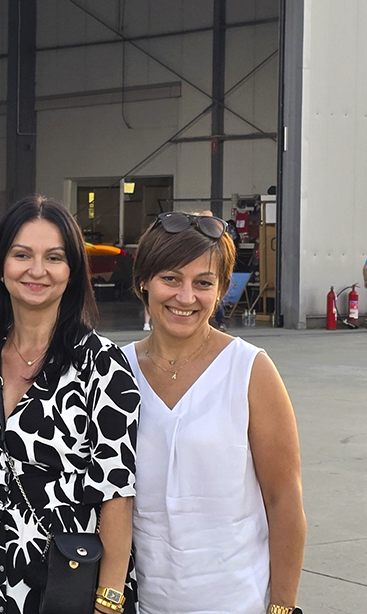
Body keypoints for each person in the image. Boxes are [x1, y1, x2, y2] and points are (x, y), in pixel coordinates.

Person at [0, 196, 140, 614]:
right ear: (0, 266)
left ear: (72, 272)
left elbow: (117, 490)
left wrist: (109, 599)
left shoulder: (102, 364)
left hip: (67, 581)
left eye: (54, 257)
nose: (36, 270)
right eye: (22, 255)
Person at [123, 211, 306, 614]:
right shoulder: (115, 372)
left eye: (203, 283)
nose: (186, 297)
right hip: (142, 602)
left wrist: (282, 606)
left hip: (238, 601)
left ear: (221, 289)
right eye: (170, 278)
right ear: (144, 281)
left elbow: (284, 499)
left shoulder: (250, 370)